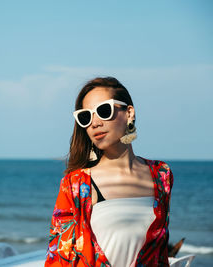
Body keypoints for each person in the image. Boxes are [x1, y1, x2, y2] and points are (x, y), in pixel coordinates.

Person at [45, 77, 173, 267]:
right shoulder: (77, 184)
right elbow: (58, 257)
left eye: (104, 111)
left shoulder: (161, 175)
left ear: (129, 113)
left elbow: (160, 253)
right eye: (86, 116)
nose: (95, 123)